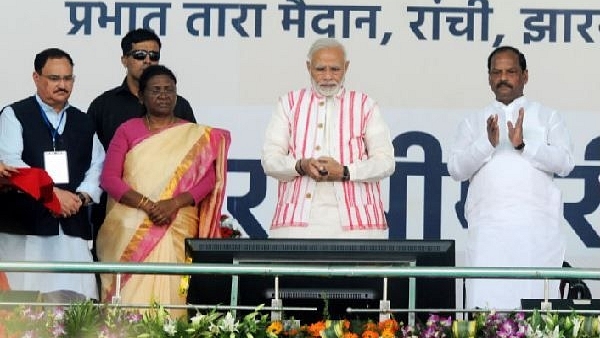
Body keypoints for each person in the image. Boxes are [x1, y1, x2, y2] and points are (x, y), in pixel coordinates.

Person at [447, 46, 575, 310]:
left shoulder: (547, 117)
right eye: (496, 72)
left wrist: (524, 145)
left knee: (537, 315)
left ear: (525, 76)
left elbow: (565, 163)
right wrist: (486, 144)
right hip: (488, 235)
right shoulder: (474, 121)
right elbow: (456, 169)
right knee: (486, 311)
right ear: (489, 78)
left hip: (536, 236)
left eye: (511, 72)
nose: (503, 78)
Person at [97, 65, 230, 316]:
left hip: (175, 224)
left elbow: (208, 179)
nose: (163, 95)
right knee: (128, 302)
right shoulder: (127, 130)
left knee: (172, 298)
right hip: (130, 226)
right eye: (156, 90)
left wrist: (173, 204)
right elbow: (110, 179)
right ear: (141, 96)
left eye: (169, 90)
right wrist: (149, 206)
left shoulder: (192, 134)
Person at [261, 38, 395, 238]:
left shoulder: (364, 105)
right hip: (297, 225)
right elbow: (269, 160)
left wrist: (345, 171)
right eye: (320, 69)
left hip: (359, 225)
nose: (327, 76)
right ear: (308, 67)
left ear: (346, 67)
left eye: (335, 69)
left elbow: (386, 162)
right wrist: (301, 166)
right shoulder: (289, 103)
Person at [0, 48, 105, 302]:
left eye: (67, 79)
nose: (62, 85)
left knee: (74, 305)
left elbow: (98, 165)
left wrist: (80, 197)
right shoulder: (14, 115)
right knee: (24, 306)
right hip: (25, 227)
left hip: (71, 226)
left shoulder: (83, 121)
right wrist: (53, 195)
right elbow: (11, 163)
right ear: (36, 78)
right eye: (54, 78)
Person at [87, 28, 197, 251]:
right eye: (140, 55)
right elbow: (92, 161)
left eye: (154, 55)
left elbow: (195, 161)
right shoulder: (103, 106)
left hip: (169, 214)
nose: (148, 60)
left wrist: (171, 204)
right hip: (117, 214)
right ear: (124, 59)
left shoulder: (180, 106)